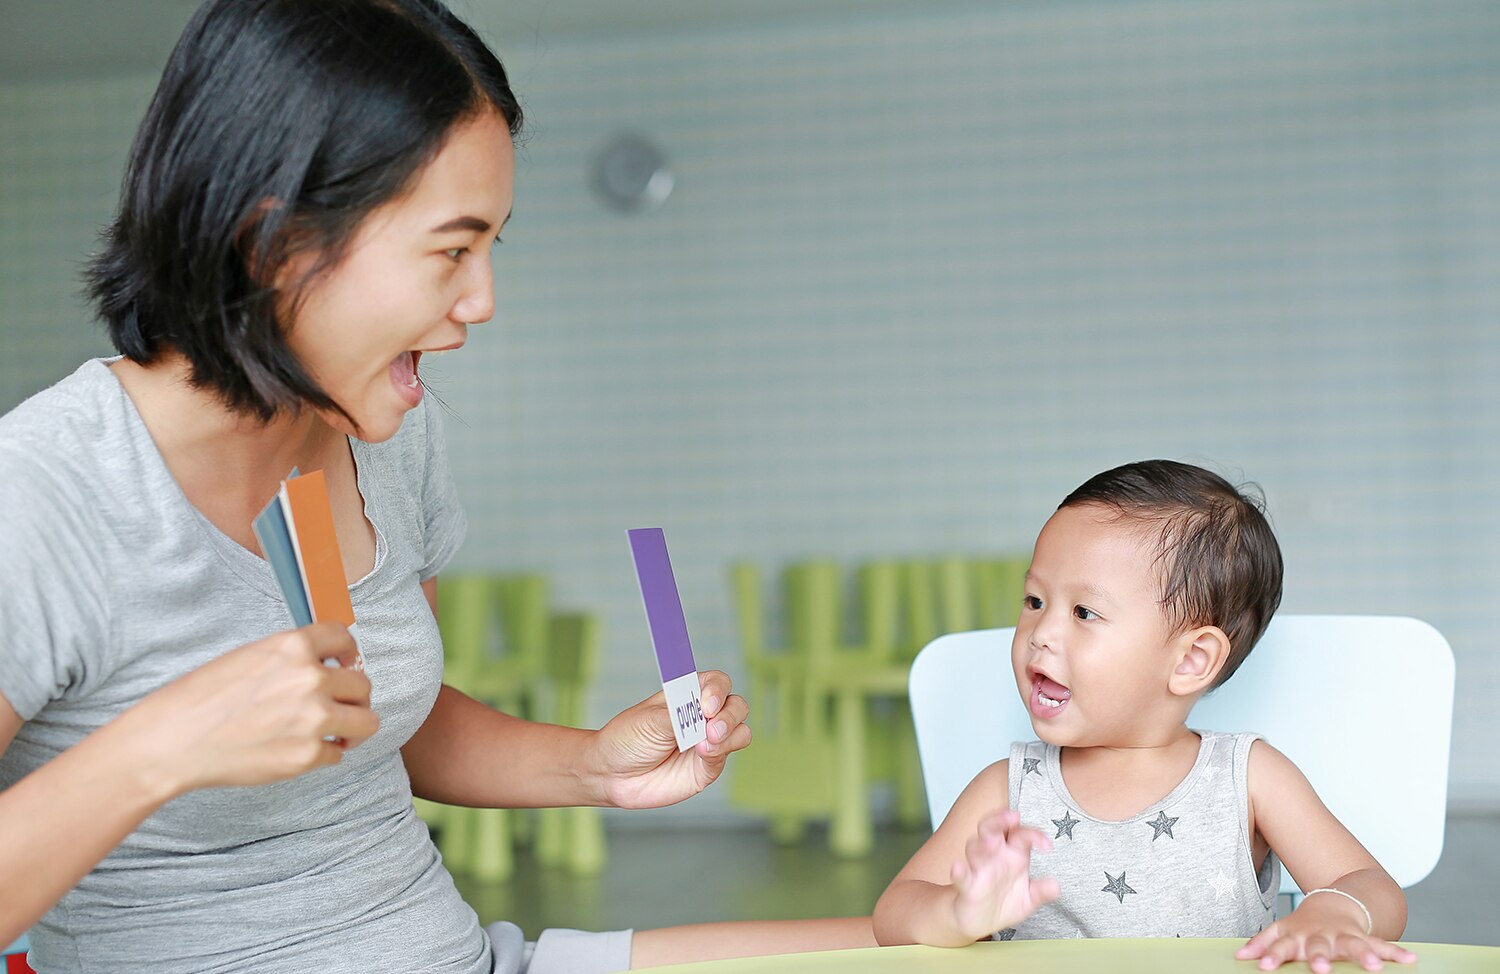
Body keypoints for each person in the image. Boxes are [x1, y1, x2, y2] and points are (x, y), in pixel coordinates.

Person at [0, 1, 873, 971]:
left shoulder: (384, 437)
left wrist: (593, 763)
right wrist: (157, 745)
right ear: (274, 244)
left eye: (493, 244)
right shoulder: (42, 493)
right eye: (452, 249)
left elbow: (396, 724)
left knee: (912, 943)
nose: (483, 298)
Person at [872, 460, 1420, 973]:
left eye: (1084, 612)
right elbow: (895, 909)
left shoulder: (1246, 777)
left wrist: (1336, 913)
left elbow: (1372, 884)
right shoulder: (1010, 790)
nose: (1041, 633)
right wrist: (954, 914)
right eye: (1034, 601)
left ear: (1191, 660)